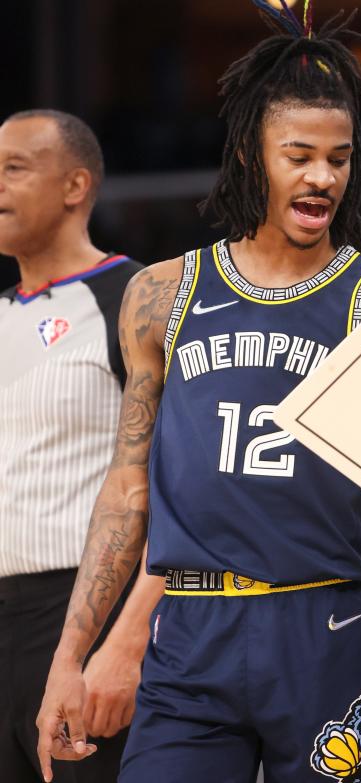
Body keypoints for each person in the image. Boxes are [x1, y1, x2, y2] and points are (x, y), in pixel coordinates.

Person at [36, 7, 361, 783]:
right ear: (249, 153)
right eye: (299, 155)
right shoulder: (163, 291)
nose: (323, 177)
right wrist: (76, 653)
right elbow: (130, 484)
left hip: (325, 619)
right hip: (190, 626)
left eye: (338, 158)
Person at [0, 109, 163, 783]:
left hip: (81, 611)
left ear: (75, 186)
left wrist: (124, 640)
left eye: (12, 169)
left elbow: (181, 484)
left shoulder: (136, 295)